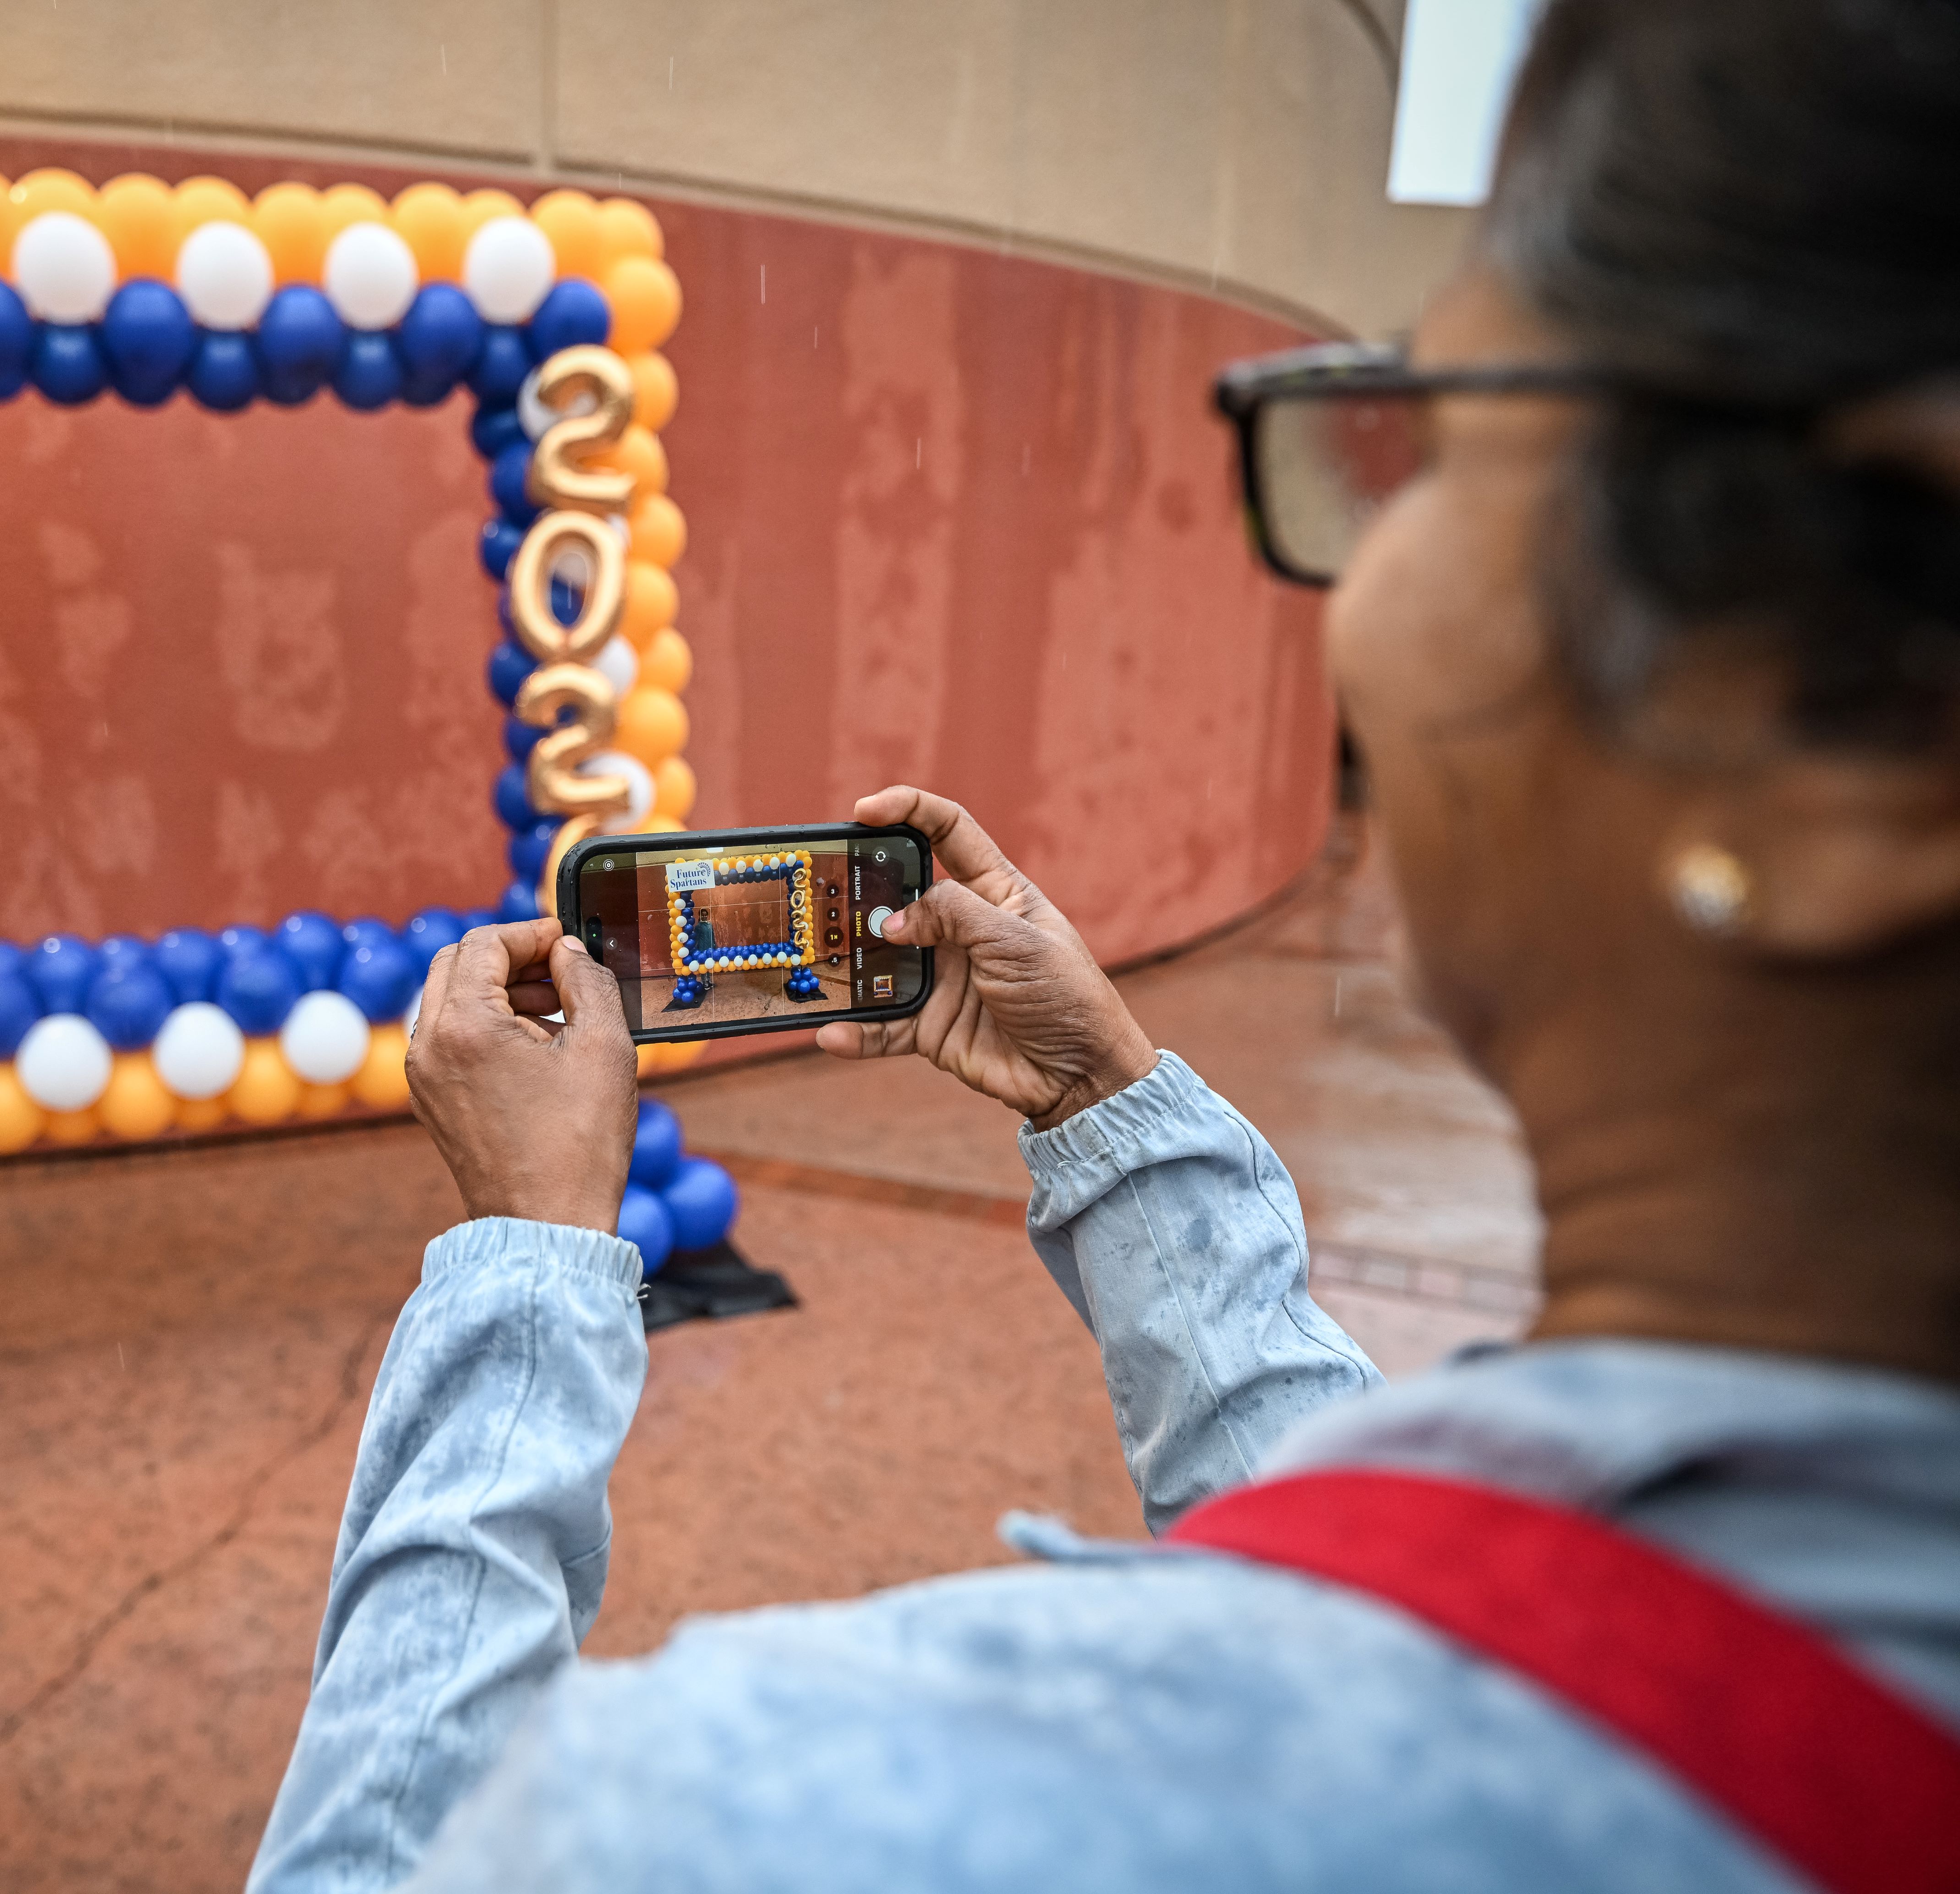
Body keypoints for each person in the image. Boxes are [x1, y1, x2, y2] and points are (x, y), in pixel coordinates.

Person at [247, 1, 1960, 1885]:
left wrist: (528, 1267)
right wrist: (1111, 1108)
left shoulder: (802, 1812)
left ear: (1866, 722)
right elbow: (1413, 1588)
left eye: (1446, 447)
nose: (1348, 582)